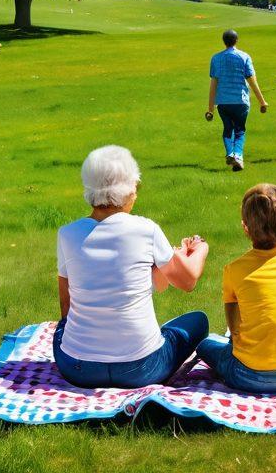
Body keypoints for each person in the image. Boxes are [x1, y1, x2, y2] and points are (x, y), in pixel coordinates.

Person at [54, 146, 209, 388]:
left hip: (78, 368)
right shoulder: (146, 230)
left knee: (64, 329)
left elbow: (66, 305)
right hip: (142, 367)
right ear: (127, 190)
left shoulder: (67, 234)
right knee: (198, 321)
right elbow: (187, 281)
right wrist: (200, 250)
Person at [196, 184, 276, 394]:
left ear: (245, 227)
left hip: (251, 375)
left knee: (205, 344)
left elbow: (234, 330)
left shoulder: (234, 270)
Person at [206, 29, 268, 172]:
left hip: (223, 101)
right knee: (240, 130)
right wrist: (262, 101)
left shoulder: (216, 58)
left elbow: (213, 84)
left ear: (224, 41)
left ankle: (230, 153)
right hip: (241, 101)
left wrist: (210, 108)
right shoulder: (244, 57)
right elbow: (252, 81)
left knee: (228, 129)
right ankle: (238, 156)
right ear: (236, 40)